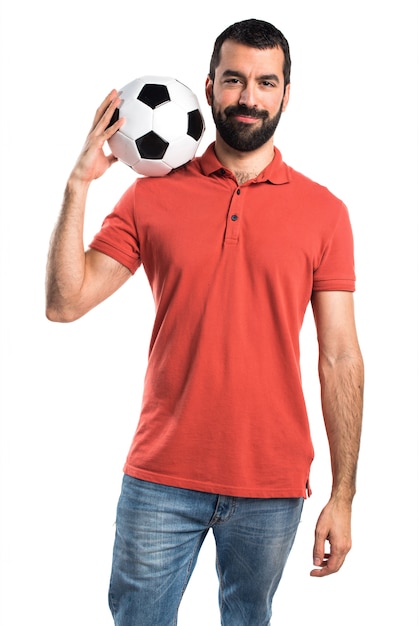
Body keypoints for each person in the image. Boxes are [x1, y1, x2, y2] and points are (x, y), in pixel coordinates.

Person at [46, 18, 364, 626]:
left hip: (271, 484)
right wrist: (77, 185)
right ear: (210, 87)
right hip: (161, 477)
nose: (249, 97)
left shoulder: (326, 213)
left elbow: (341, 356)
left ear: (285, 94)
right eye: (235, 80)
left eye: (265, 82)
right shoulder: (151, 195)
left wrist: (343, 495)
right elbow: (66, 302)